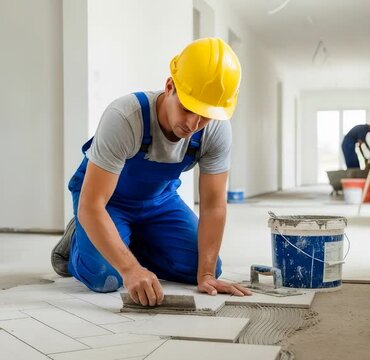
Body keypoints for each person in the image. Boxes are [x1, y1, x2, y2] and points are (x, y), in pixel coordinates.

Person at [52, 38, 251, 306]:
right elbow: (92, 204)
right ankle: (77, 239)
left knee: (207, 269)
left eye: (204, 115)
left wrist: (204, 273)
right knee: (106, 277)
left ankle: (127, 239)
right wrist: (130, 270)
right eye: (187, 108)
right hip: (105, 202)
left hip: (159, 202)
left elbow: (214, 205)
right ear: (170, 86)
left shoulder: (215, 130)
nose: (193, 124)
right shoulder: (125, 118)